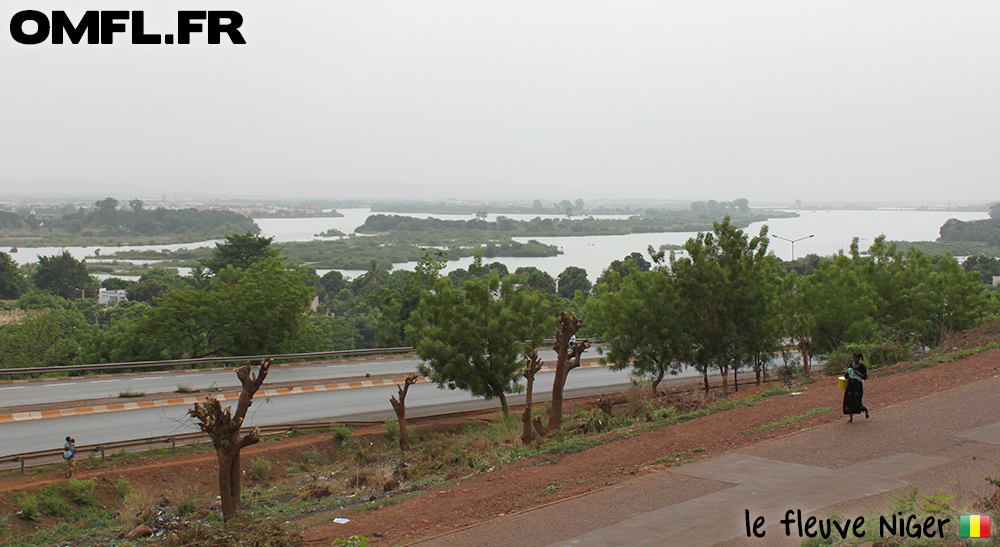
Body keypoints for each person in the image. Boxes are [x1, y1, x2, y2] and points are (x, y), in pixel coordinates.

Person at [843, 353, 869, 423]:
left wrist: (857, 373)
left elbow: (865, 377)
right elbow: (847, 375)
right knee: (848, 400)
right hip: (850, 385)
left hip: (857, 385)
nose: (855, 359)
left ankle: (865, 410)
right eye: (854, 357)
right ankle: (851, 418)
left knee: (857, 401)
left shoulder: (862, 367)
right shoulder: (851, 365)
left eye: (856, 358)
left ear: (859, 359)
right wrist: (846, 374)